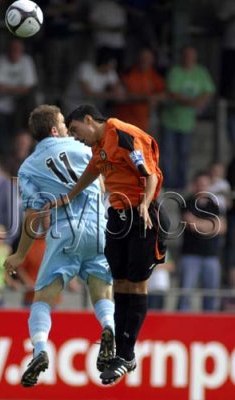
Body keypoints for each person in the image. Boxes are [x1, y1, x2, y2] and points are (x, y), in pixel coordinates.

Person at [51, 104, 169, 384]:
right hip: (117, 216)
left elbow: (149, 173)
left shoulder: (123, 134)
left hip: (143, 215)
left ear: (89, 120)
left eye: (77, 131)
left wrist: (143, 205)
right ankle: (122, 353)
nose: (77, 138)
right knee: (120, 282)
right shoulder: (99, 144)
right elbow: (94, 169)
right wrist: (70, 196)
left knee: (137, 283)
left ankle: (127, 354)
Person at [3, 105, 115, 387]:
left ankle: (40, 350)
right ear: (55, 128)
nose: (68, 127)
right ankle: (109, 327)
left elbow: (32, 215)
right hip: (99, 228)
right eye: (64, 122)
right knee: (101, 289)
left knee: (43, 300)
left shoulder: (28, 167)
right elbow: (103, 184)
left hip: (64, 233)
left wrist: (19, 255)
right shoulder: (84, 147)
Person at [160, 45, 215, 189]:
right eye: (186, 55)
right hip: (170, 120)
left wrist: (200, 102)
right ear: (182, 57)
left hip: (188, 122)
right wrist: (193, 102)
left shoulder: (201, 72)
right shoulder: (176, 72)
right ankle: (165, 183)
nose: (189, 58)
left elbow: (209, 90)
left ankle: (180, 184)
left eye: (191, 55)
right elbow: (173, 93)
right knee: (167, 155)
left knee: (184, 155)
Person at [178, 171, 226, 311]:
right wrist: (212, 226)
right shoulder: (187, 202)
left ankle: (210, 330)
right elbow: (190, 224)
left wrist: (200, 224)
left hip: (211, 256)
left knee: (211, 297)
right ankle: (180, 328)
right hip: (190, 255)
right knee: (185, 296)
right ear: (195, 185)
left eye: (205, 184)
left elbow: (222, 228)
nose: (202, 187)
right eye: (199, 184)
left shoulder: (215, 205)